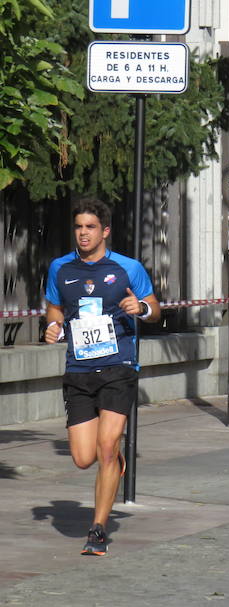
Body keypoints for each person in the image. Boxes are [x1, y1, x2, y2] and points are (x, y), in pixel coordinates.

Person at [44, 198, 161, 555]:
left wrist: (139, 307)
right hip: (79, 370)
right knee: (83, 458)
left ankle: (97, 530)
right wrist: (52, 325)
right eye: (78, 226)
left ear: (105, 231)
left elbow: (155, 310)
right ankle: (114, 462)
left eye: (90, 227)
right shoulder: (60, 268)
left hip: (118, 367)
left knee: (106, 447)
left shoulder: (128, 268)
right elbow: (54, 305)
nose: (83, 233)